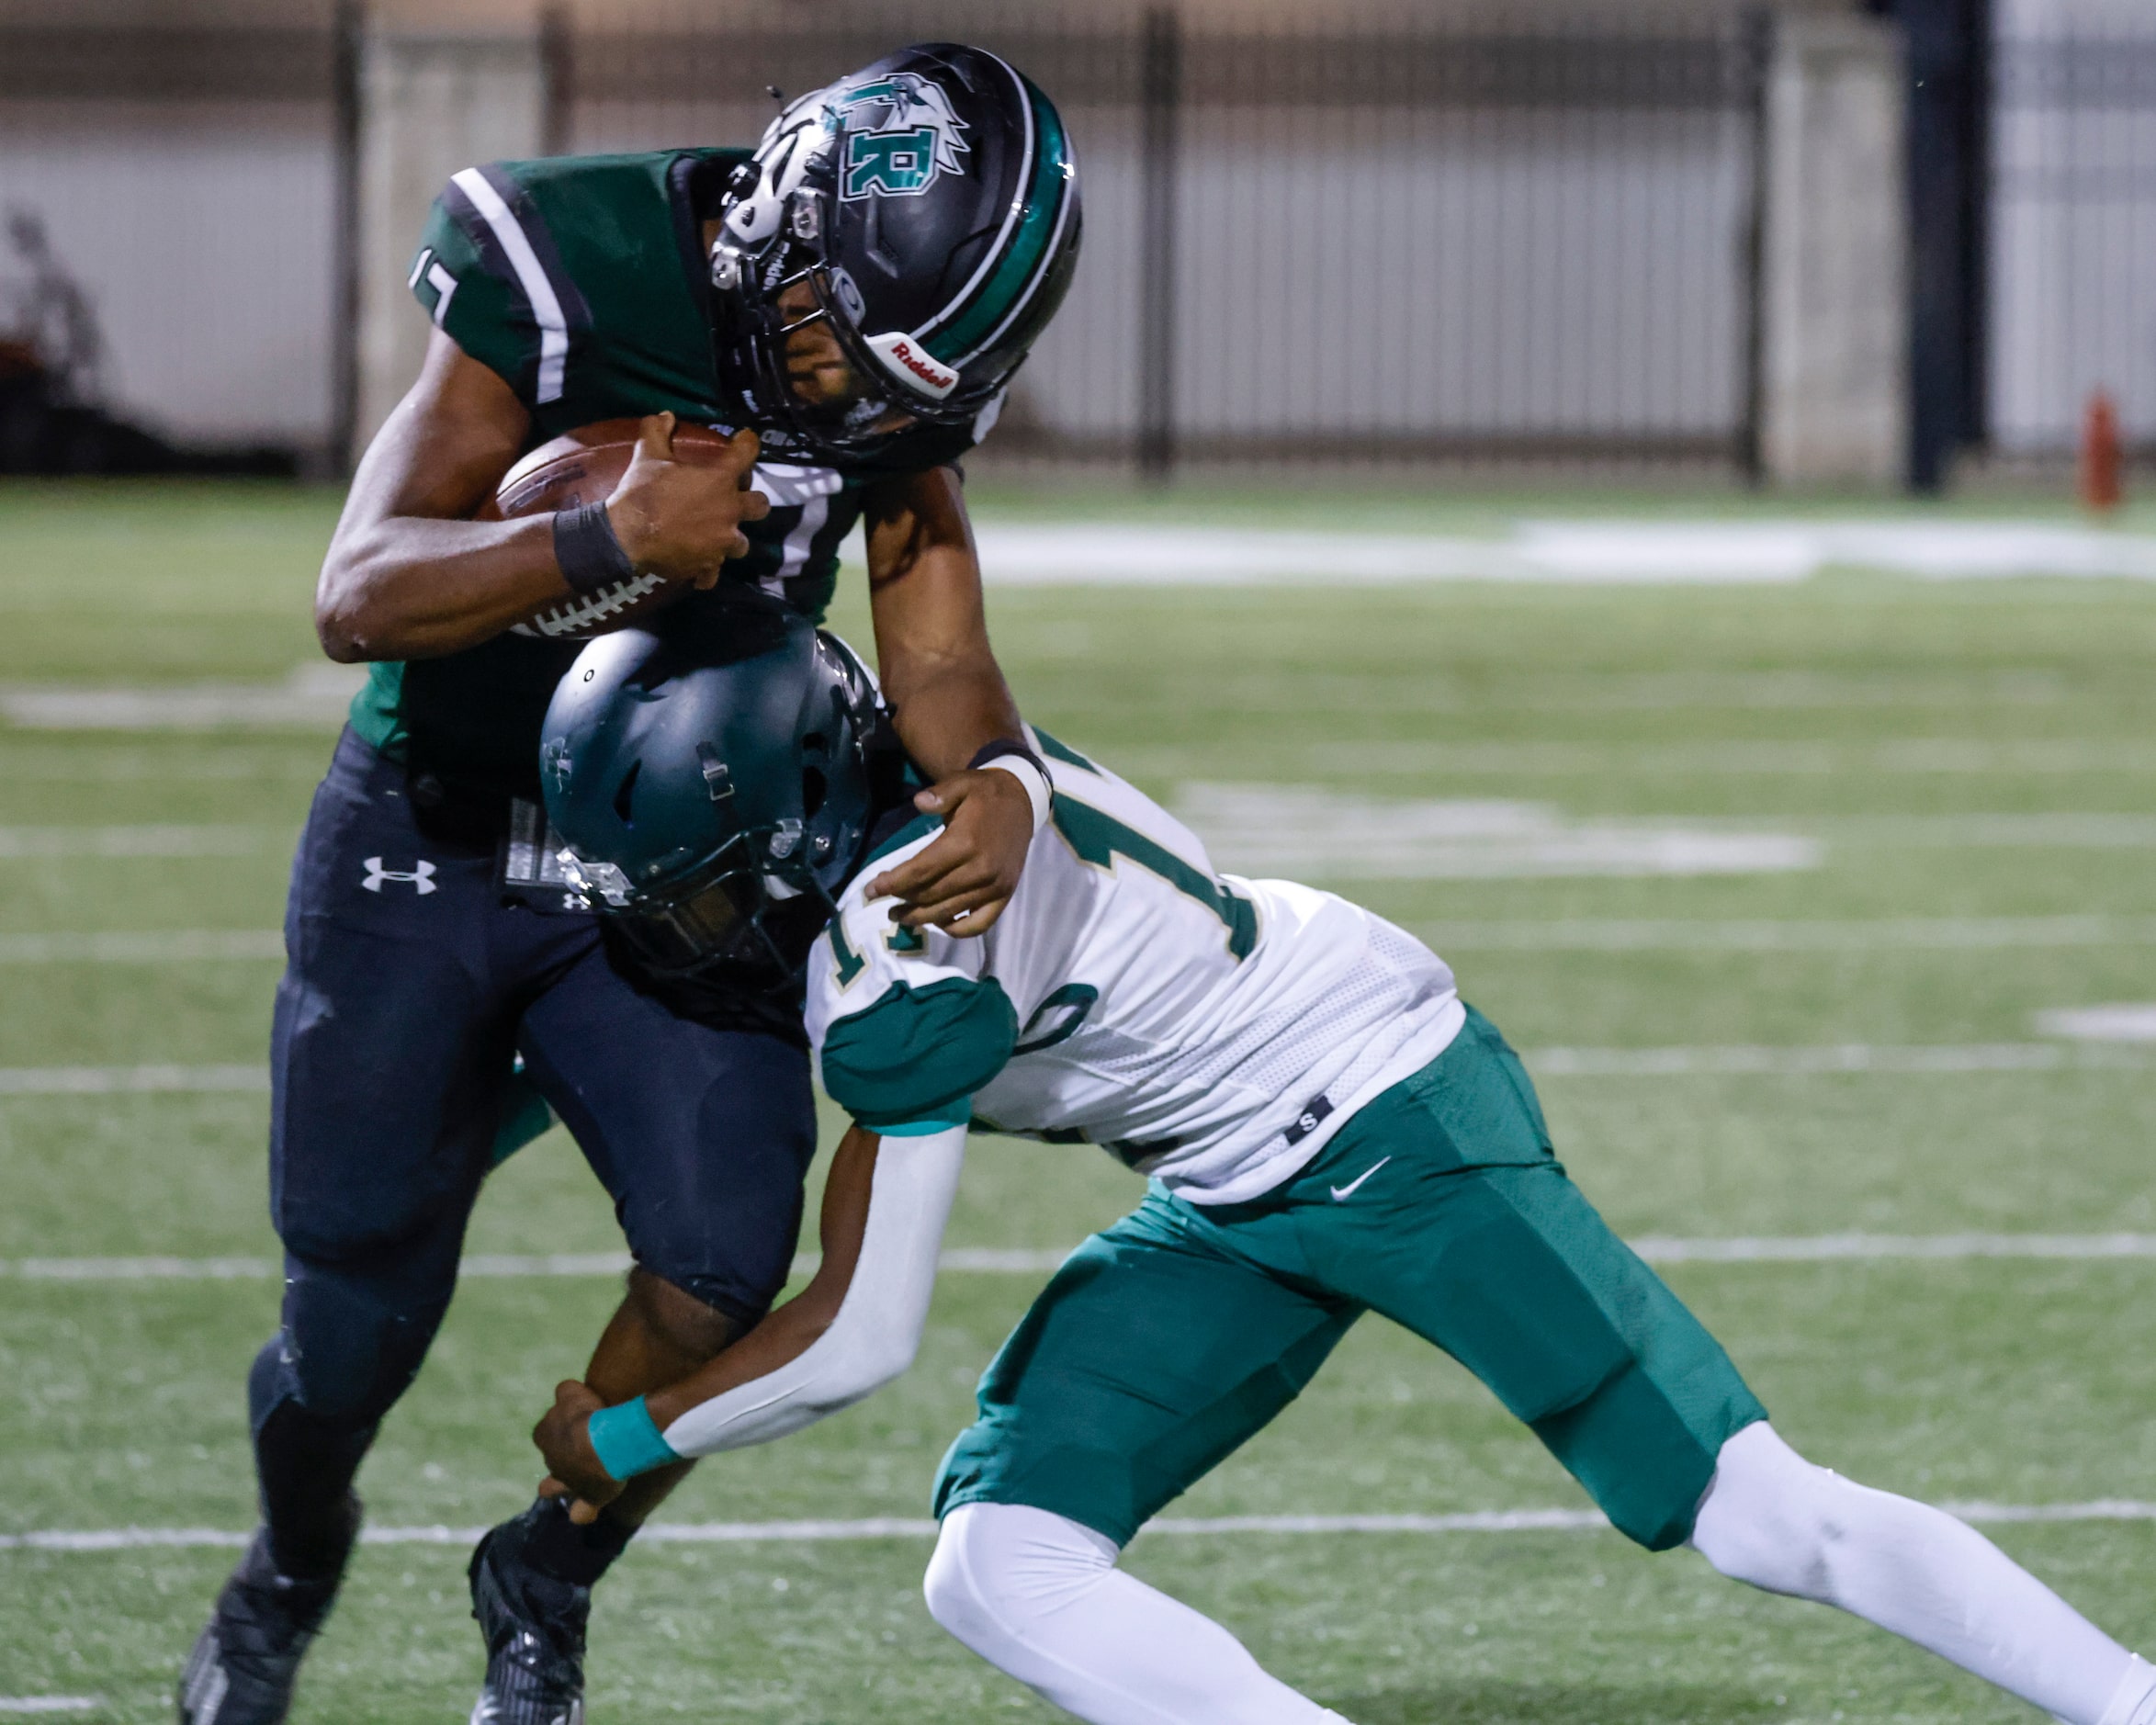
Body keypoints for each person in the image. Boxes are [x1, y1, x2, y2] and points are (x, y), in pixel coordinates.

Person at [526, 624, 2156, 1725]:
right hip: (1227, 1176)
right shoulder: (947, 749)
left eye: (702, 886)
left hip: (1394, 1119)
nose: (687, 925)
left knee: (1753, 1512)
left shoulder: (905, 942)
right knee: (998, 1562)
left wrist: (621, 1433)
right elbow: (937, 591)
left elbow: (862, 1333)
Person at [178, 41, 1082, 1725]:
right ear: (777, 235)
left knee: (718, 1268)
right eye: (839, 347)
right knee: (350, 1317)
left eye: (912, 382)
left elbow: (938, 638)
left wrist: (1005, 781)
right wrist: (600, 541)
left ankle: (547, 1571)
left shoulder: (884, 381)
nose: (866, 408)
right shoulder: (565, 251)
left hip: (687, 873)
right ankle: (293, 1556)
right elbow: (357, 588)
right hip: (434, 835)